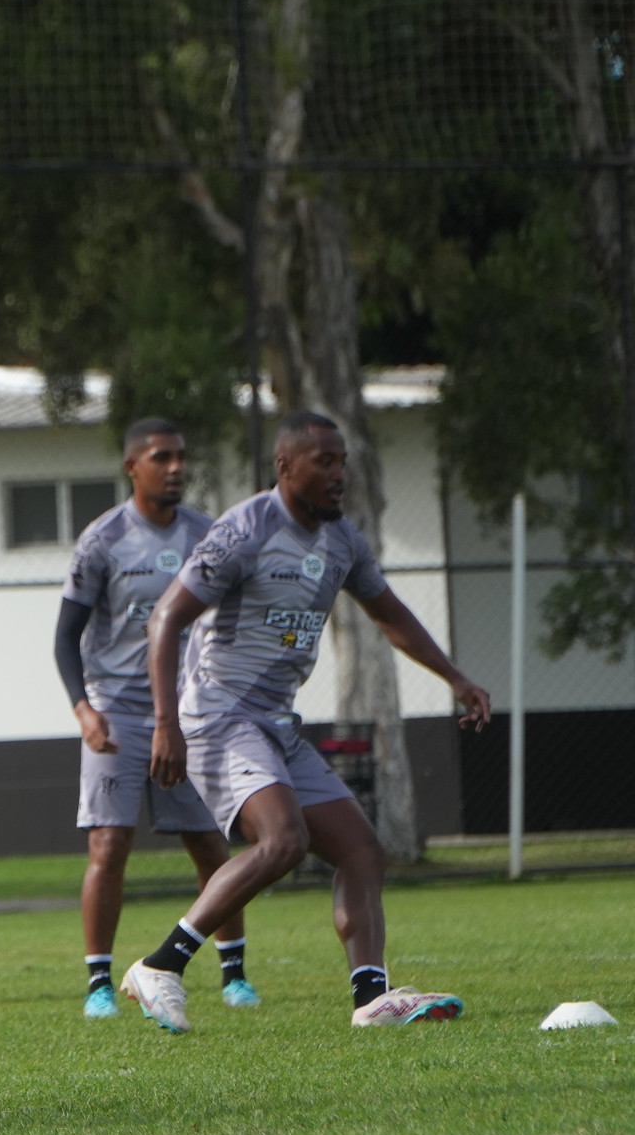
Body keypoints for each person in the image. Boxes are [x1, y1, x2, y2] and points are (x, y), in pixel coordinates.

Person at [122, 412, 490, 1032]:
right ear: (286, 466)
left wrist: (454, 677)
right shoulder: (244, 530)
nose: (339, 474)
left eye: (342, 461)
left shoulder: (343, 540)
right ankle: (162, 965)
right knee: (284, 840)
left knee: (363, 851)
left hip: (275, 721)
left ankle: (371, 1000)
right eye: (325, 461)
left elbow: (389, 612)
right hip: (217, 714)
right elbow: (165, 620)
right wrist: (166, 724)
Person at [56, 419, 255, 1021]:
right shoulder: (103, 540)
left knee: (209, 842)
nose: (175, 467)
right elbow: (65, 637)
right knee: (109, 844)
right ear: (132, 468)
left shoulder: (207, 536)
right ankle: (98, 984)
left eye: (181, 457)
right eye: (161, 457)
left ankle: (235, 974)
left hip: (193, 713)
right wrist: (84, 709)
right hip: (117, 715)